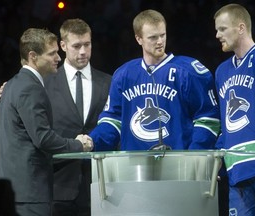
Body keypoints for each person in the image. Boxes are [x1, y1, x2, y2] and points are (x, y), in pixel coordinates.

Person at [0, 28, 93, 216]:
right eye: (52, 53)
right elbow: (43, 138)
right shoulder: (31, 87)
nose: (58, 58)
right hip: (30, 192)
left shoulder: (11, 85)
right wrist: (79, 144)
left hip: (9, 190)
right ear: (33, 56)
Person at [90, 9, 220, 152]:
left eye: (162, 35)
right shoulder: (124, 74)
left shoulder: (189, 71)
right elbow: (113, 120)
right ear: (138, 39)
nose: (160, 42)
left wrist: (194, 156)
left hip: (179, 166)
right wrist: (92, 141)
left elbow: (208, 118)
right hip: (134, 167)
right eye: (153, 37)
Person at [214, 3, 255, 215]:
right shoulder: (221, 71)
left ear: (240, 28)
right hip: (237, 173)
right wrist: (216, 161)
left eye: (222, 29)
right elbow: (226, 125)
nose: (217, 35)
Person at [44, 19, 112, 216]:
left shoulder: (108, 82)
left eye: (87, 44)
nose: (83, 51)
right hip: (57, 184)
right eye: (76, 46)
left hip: (100, 185)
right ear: (63, 46)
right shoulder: (45, 83)